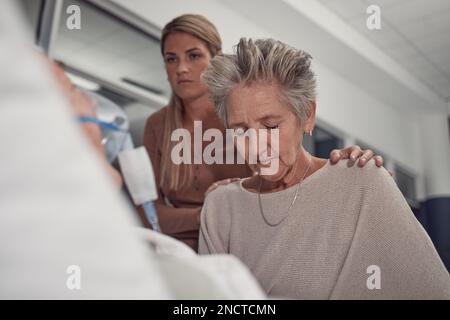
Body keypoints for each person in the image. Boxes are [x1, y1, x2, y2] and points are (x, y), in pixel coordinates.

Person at [198, 38, 450, 299]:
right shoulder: (220, 208)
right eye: (240, 131)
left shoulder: (361, 180)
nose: (256, 146)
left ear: (307, 116)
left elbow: (434, 291)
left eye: (271, 126)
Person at [144, 14, 384, 251]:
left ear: (215, 58)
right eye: (171, 59)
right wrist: (215, 212)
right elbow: (150, 214)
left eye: (193, 55)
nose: (182, 69)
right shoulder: (157, 126)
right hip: (182, 249)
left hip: (249, 243)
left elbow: (285, 183)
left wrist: (340, 170)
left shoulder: (241, 114)